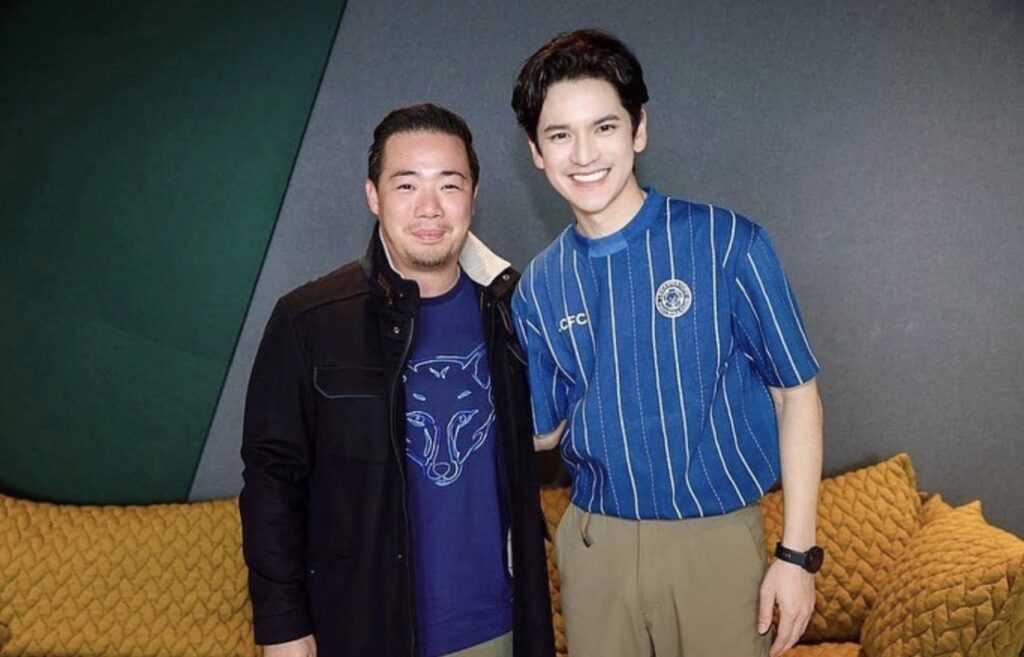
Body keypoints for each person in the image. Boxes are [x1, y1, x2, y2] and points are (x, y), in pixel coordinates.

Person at [510, 29, 825, 657]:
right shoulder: (538, 285)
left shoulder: (728, 243)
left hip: (715, 543)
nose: (583, 154)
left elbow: (797, 396)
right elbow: (542, 431)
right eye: (560, 135)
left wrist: (797, 555)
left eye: (603, 127)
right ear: (537, 154)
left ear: (639, 130)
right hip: (595, 546)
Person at [239, 103, 554, 657]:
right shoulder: (308, 320)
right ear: (373, 195)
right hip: (361, 631)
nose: (429, 207)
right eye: (406, 184)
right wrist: (281, 625)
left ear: (473, 196)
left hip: (497, 628)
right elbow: (271, 481)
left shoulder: (515, 312)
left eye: (449, 185)